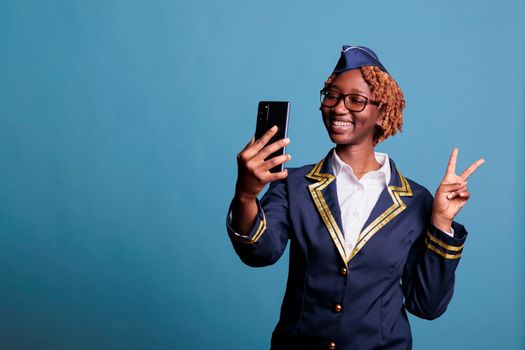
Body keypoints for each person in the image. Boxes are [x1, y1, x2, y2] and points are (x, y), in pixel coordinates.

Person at [226, 45, 484, 350]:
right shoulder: (293, 185)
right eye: (331, 96)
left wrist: (441, 221)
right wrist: (246, 193)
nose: (338, 108)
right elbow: (260, 253)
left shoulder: (416, 200)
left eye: (356, 100)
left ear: (383, 111)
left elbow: (427, 305)